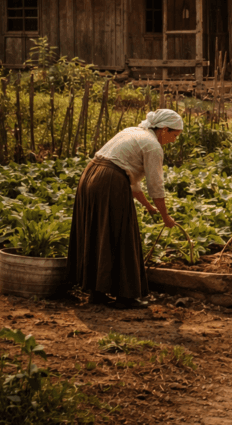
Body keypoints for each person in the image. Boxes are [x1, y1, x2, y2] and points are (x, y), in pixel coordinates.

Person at [69, 109, 183, 309]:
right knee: (122, 234)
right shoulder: (153, 146)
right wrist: (166, 217)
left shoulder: (132, 132)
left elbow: (132, 180)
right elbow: (156, 187)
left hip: (90, 176)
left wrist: (148, 206)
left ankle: (97, 292)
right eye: (174, 135)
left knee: (99, 231)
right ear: (164, 129)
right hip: (109, 181)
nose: (173, 140)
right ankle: (125, 296)